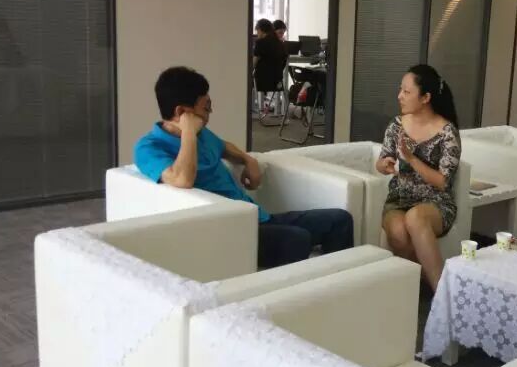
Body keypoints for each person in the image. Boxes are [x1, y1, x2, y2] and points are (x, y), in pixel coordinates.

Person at [134, 66, 353, 270]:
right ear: (182, 112)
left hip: (258, 217)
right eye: (205, 108)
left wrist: (249, 161)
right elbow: (182, 179)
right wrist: (189, 132)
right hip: (231, 232)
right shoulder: (149, 147)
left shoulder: (203, 135)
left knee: (339, 220)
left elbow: (224, 147)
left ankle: (340, 281)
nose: (210, 113)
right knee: (298, 239)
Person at [375, 64, 461, 291]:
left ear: (425, 98)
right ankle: (420, 289)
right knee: (397, 231)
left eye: (406, 91)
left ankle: (442, 295)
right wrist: (383, 165)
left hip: (436, 202)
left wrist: (412, 159)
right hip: (399, 199)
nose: (399, 96)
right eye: (400, 90)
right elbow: (382, 160)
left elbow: (443, 181)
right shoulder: (396, 125)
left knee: (415, 218)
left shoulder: (447, 132)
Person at [252, 18, 287, 94]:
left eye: (257, 31)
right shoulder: (281, 44)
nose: (257, 34)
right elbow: (284, 62)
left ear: (260, 30)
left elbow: (253, 64)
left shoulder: (260, 42)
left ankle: (253, 101)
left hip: (262, 80)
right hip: (277, 80)